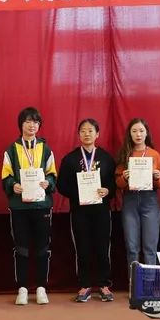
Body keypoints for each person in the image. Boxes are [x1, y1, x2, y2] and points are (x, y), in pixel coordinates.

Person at [1, 107, 58, 306]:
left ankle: (41, 288)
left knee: (43, 247)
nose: (32, 125)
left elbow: (52, 174)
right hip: (20, 207)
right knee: (21, 248)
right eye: (27, 121)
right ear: (21, 125)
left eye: (35, 122)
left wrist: (48, 183)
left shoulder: (46, 149)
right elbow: (6, 175)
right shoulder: (11, 149)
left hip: (42, 205)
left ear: (39, 125)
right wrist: (12, 185)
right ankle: (23, 288)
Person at [57, 118, 117, 302]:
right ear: (78, 135)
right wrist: (77, 193)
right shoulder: (70, 159)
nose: (87, 134)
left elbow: (114, 184)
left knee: (102, 247)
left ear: (97, 134)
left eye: (90, 130)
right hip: (79, 211)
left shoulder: (106, 158)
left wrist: (107, 191)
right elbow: (61, 185)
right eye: (83, 131)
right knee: (82, 247)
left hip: (101, 211)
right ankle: (84, 285)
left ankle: (104, 285)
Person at [115, 118, 160, 272]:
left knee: (150, 248)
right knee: (132, 247)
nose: (138, 134)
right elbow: (118, 183)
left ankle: (149, 283)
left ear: (146, 133)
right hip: (130, 201)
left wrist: (157, 178)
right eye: (134, 131)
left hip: (150, 201)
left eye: (141, 131)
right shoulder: (125, 154)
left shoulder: (154, 154)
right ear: (129, 134)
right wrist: (124, 178)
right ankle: (134, 283)